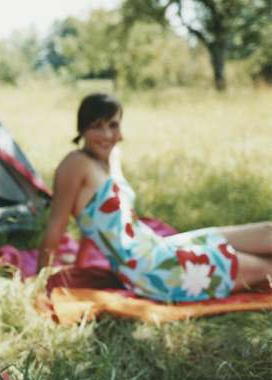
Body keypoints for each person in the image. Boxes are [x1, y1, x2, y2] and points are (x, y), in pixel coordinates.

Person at [38, 93, 272, 302]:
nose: (107, 134)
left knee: (267, 231)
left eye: (113, 125)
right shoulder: (75, 164)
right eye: (96, 126)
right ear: (82, 129)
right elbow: (56, 227)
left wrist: (81, 264)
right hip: (150, 270)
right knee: (265, 266)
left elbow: (96, 225)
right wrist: (41, 281)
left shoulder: (111, 158)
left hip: (158, 247)